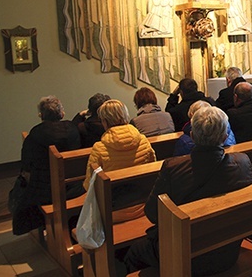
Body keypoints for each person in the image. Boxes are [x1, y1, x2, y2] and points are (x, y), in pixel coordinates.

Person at [124, 106, 252, 276]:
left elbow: (152, 213)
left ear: (192, 136)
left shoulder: (173, 167)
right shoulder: (243, 162)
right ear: (224, 137)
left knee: (134, 251)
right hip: (227, 252)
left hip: (183, 256)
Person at [14, 96, 82, 235]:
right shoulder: (72, 129)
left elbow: (26, 166)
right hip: (75, 187)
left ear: (41, 115)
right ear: (61, 113)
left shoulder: (35, 134)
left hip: (47, 190)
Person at [83, 100, 156, 190]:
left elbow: (90, 184)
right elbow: (152, 170)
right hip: (141, 192)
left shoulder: (99, 148)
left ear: (105, 122)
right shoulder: (143, 141)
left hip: (111, 198)